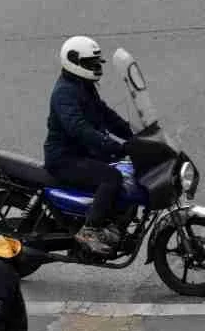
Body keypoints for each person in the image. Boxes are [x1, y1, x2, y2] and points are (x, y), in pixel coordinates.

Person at [44, 36, 136, 256]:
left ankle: (112, 223)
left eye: (96, 63)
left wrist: (133, 134)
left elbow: (105, 114)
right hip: (64, 158)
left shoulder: (83, 86)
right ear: (74, 62)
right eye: (90, 63)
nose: (95, 67)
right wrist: (114, 146)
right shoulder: (64, 92)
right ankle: (90, 230)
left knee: (130, 173)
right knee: (111, 177)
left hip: (82, 153)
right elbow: (79, 128)